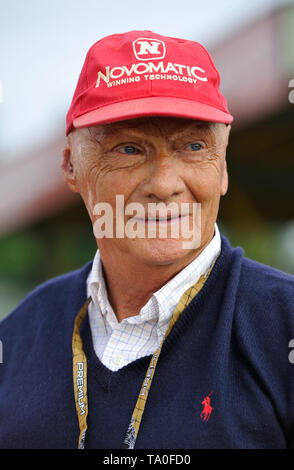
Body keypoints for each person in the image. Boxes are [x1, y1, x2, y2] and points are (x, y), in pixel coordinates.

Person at [0, 30, 294, 450]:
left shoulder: (283, 327)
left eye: (194, 146)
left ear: (223, 167)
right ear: (70, 166)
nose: (164, 184)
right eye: (129, 150)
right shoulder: (16, 337)